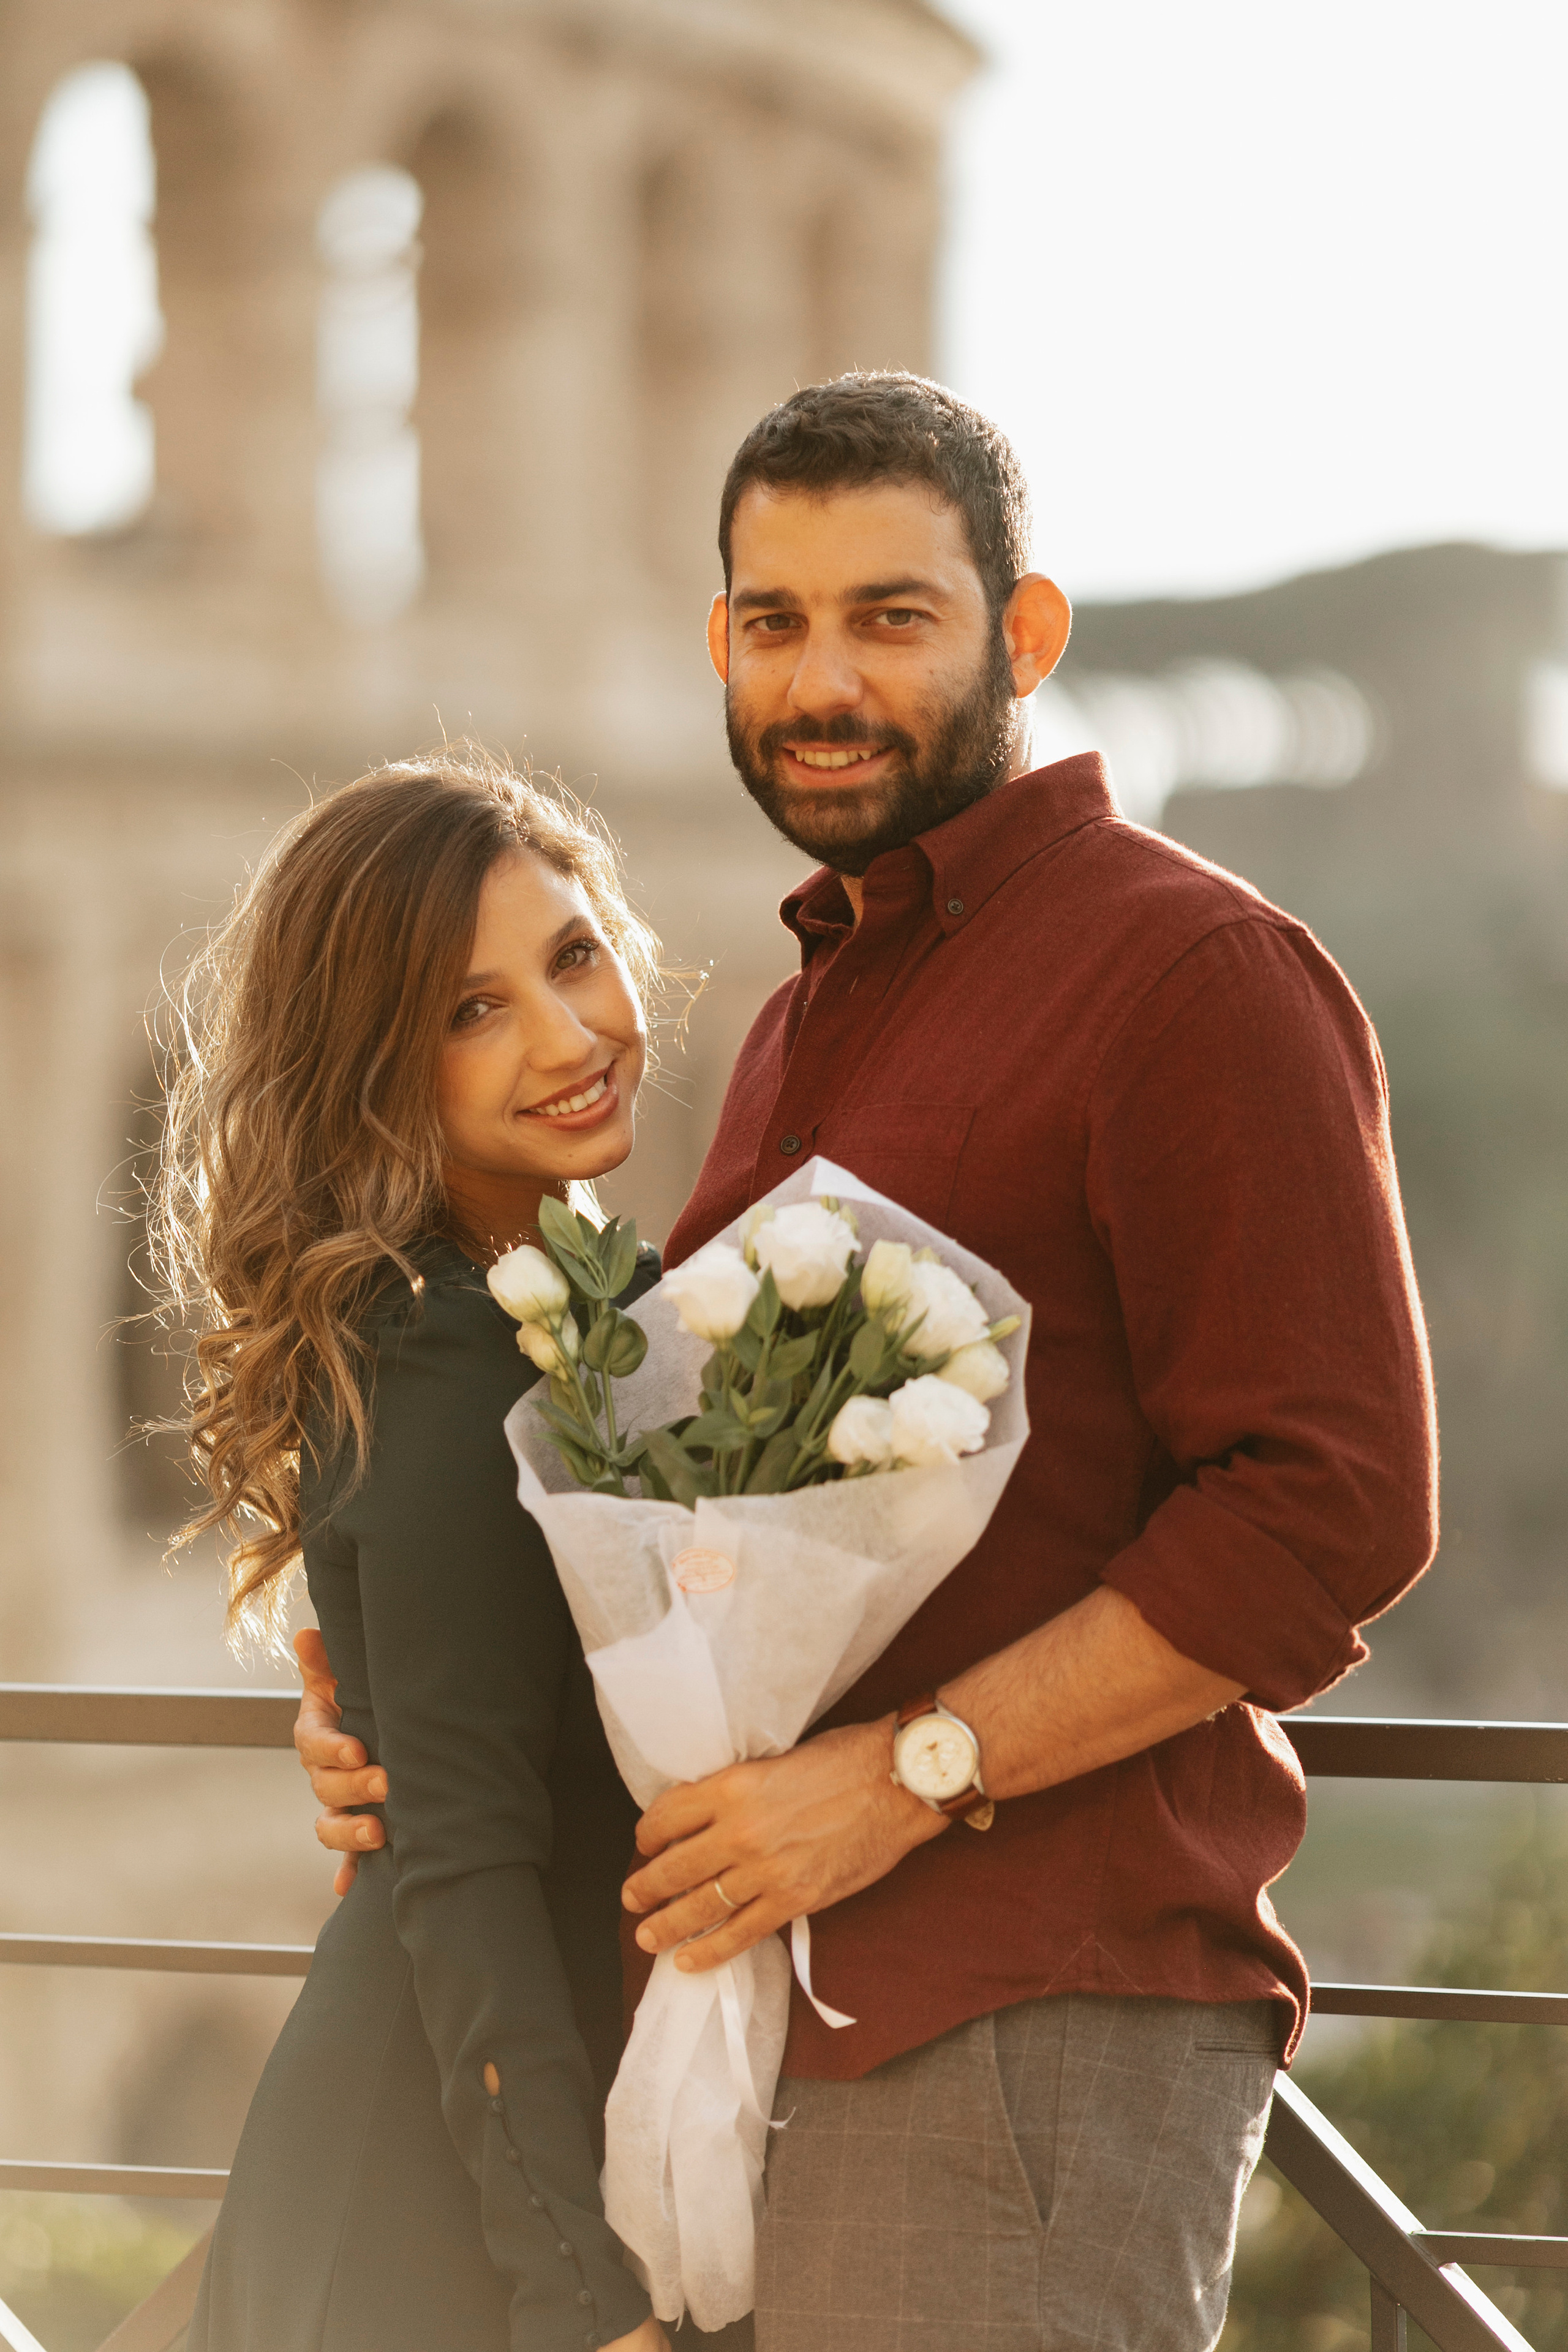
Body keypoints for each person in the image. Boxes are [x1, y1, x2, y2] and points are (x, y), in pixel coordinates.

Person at [300, 375, 1438, 2351]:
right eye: (773, 621)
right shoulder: (801, 1025)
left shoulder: (1193, 973)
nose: (822, 680)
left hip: (1023, 2019)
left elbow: (1329, 1511)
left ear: (1027, 633)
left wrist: (912, 1780)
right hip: (763, 2029)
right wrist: (422, 1724)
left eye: (890, 618)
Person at [156, 752, 680, 2352]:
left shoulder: (567, 1303)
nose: (567, 1036)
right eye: (474, 1012)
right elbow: (459, 1869)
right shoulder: (450, 1353)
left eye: (574, 958)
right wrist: (581, 2305)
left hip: (499, 2147)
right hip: (440, 2210)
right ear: (378, 1070)